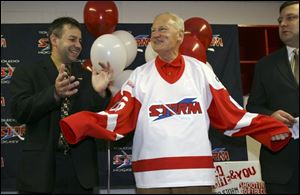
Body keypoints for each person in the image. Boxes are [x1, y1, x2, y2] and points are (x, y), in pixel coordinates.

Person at [60, 12, 291, 194]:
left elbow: (231, 115)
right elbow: (118, 118)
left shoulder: (201, 71)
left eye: (162, 28)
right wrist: (81, 123)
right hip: (151, 178)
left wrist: (270, 128)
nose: (155, 34)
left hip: (195, 176)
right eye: (152, 30)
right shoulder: (139, 75)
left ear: (180, 35)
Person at [9, 17, 112, 194]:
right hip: (41, 170)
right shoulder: (28, 71)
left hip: (80, 172)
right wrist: (54, 94)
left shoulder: (87, 75)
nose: (78, 45)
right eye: (72, 39)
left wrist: (100, 93)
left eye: (80, 40)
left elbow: (98, 118)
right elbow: (20, 110)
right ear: (54, 40)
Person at [246, 1, 299, 194]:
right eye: (280, 20)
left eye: (291, 17)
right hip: (279, 166)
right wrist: (270, 116)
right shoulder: (265, 65)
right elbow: (252, 108)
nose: (283, 24)